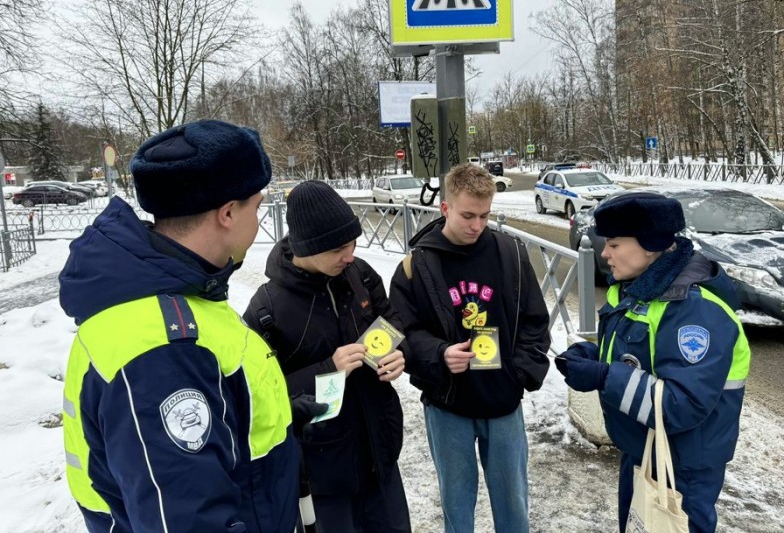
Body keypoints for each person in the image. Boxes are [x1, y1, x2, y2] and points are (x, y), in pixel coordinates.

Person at [59, 120, 306, 533]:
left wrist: (280, 417)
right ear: (228, 213)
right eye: (257, 205)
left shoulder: (182, 291)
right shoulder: (162, 346)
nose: (260, 219)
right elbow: (188, 518)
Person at [557, 192, 751, 533]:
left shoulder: (694, 309)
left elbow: (682, 404)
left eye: (614, 244)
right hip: (644, 450)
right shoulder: (643, 288)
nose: (605, 253)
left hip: (682, 466)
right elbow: (641, 358)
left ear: (649, 245)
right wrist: (594, 356)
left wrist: (604, 376)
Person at [389, 163, 551, 533]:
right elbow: (403, 331)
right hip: (448, 407)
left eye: (484, 215)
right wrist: (440, 354)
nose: (477, 225)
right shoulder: (417, 266)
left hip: (503, 403)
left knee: (513, 507)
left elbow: (535, 322)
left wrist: (519, 374)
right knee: (456, 507)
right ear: (445, 208)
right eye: (467, 215)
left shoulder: (510, 252)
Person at [243, 180, 412, 533]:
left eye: (352, 243)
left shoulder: (359, 273)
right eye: (338, 248)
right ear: (307, 246)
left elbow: (391, 319)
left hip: (379, 454)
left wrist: (399, 352)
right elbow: (256, 396)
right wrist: (327, 370)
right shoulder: (267, 308)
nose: (349, 255)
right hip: (322, 473)